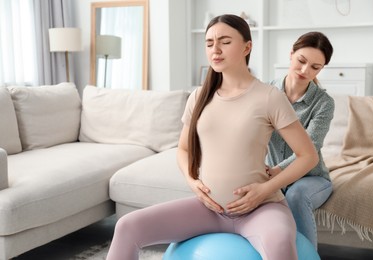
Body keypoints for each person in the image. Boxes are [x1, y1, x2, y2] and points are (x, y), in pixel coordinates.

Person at [106, 14, 319, 260]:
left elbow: (307, 156)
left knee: (280, 242)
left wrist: (264, 190)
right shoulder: (198, 97)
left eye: (225, 42)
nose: (215, 50)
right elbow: (184, 149)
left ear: (247, 47)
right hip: (208, 209)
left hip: (261, 210)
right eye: (209, 43)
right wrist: (192, 182)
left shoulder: (269, 96)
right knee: (127, 226)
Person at [266, 31, 335, 250]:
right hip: (271, 173)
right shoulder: (266, 92)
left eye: (315, 67)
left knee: (296, 195)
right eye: (301, 61)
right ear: (291, 54)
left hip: (311, 178)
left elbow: (311, 150)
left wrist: (277, 172)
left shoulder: (323, 103)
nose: (306, 71)